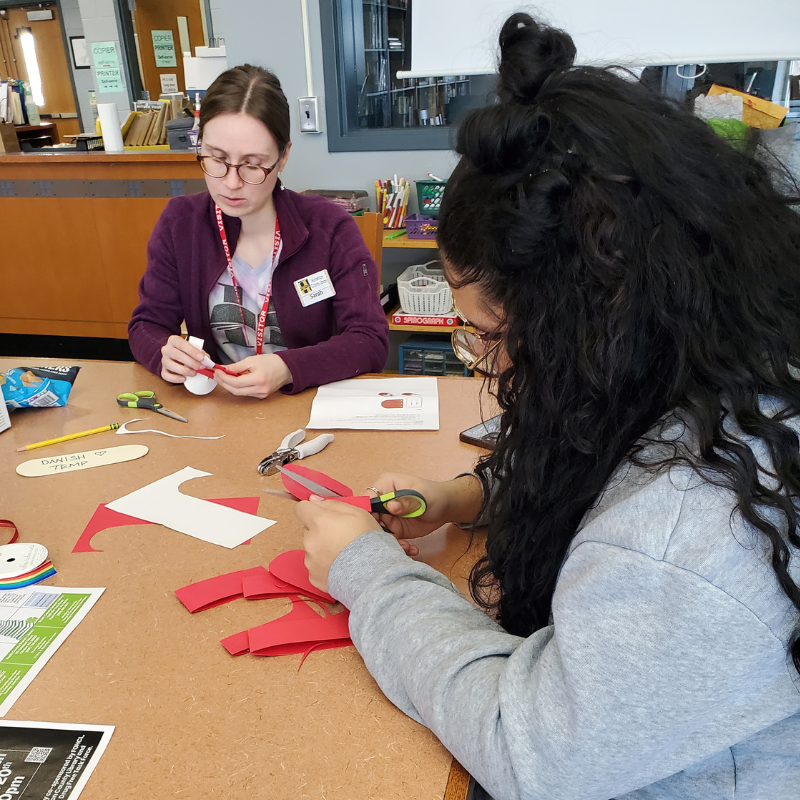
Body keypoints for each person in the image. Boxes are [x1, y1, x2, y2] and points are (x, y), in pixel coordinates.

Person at [297, 13, 800, 800]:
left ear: (584, 319)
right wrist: (472, 495)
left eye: (491, 336)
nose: (490, 362)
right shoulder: (720, 351)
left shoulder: (685, 537)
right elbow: (601, 460)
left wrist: (365, 574)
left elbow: (528, 746)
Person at [128, 65, 388, 398]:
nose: (231, 182)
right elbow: (145, 325)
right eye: (217, 158)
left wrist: (288, 368)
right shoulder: (182, 223)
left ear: (283, 157)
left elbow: (369, 340)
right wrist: (163, 351)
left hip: (308, 405)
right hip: (220, 409)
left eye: (252, 164)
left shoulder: (329, 228)